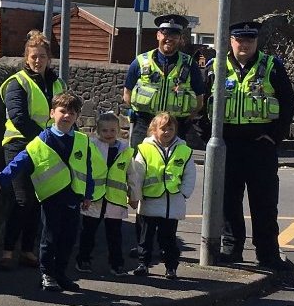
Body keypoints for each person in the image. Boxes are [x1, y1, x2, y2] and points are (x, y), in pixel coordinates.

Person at [0, 92, 103, 293]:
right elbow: (20, 161)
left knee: (69, 238)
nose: (67, 116)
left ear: (77, 116)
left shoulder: (82, 140)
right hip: (52, 197)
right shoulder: (41, 141)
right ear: (52, 113)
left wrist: (88, 194)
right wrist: (0, 179)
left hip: (73, 197)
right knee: (50, 238)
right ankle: (47, 274)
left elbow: (87, 169)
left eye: (72, 113)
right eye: (62, 111)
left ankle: (61, 273)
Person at [214, 21, 294, 276]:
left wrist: (275, 137)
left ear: (256, 42)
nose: (245, 44)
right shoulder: (217, 66)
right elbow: (204, 101)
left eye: (250, 39)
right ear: (231, 40)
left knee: (264, 202)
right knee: (229, 201)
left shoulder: (272, 66)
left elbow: (288, 104)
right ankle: (231, 249)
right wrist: (210, 135)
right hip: (229, 145)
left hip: (261, 147)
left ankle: (268, 253)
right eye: (240, 39)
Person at [0, 30, 66, 271]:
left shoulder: (57, 83)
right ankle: (7, 251)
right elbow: (18, 117)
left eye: (42, 56)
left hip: (47, 146)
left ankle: (27, 250)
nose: (37, 61)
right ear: (26, 58)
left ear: (49, 58)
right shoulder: (17, 83)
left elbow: (66, 114)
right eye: (33, 56)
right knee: (22, 200)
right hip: (19, 144)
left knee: (39, 199)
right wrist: (45, 137)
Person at [128, 112, 196, 280]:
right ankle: (143, 264)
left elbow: (190, 174)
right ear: (153, 130)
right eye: (163, 129)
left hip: (171, 204)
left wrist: (184, 193)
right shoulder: (144, 149)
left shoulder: (184, 150)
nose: (167, 132)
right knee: (145, 238)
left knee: (169, 240)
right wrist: (135, 196)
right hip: (149, 203)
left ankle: (171, 267)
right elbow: (137, 175)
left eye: (170, 129)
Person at [123, 14, 207, 147]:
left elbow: (199, 102)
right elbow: (127, 95)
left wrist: (182, 120)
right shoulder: (140, 62)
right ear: (158, 35)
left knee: (174, 166)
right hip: (144, 124)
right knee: (139, 165)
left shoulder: (190, 65)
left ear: (180, 38)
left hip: (176, 127)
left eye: (174, 35)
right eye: (165, 34)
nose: (169, 39)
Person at [75, 112, 136, 277]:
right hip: (93, 198)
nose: (109, 134)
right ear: (97, 131)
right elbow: (83, 170)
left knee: (115, 235)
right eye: (105, 131)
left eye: (112, 131)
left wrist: (134, 196)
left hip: (115, 199)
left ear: (118, 131)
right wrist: (82, 193)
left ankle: (116, 264)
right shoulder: (91, 146)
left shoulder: (125, 150)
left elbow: (132, 174)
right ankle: (83, 259)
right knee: (88, 232)